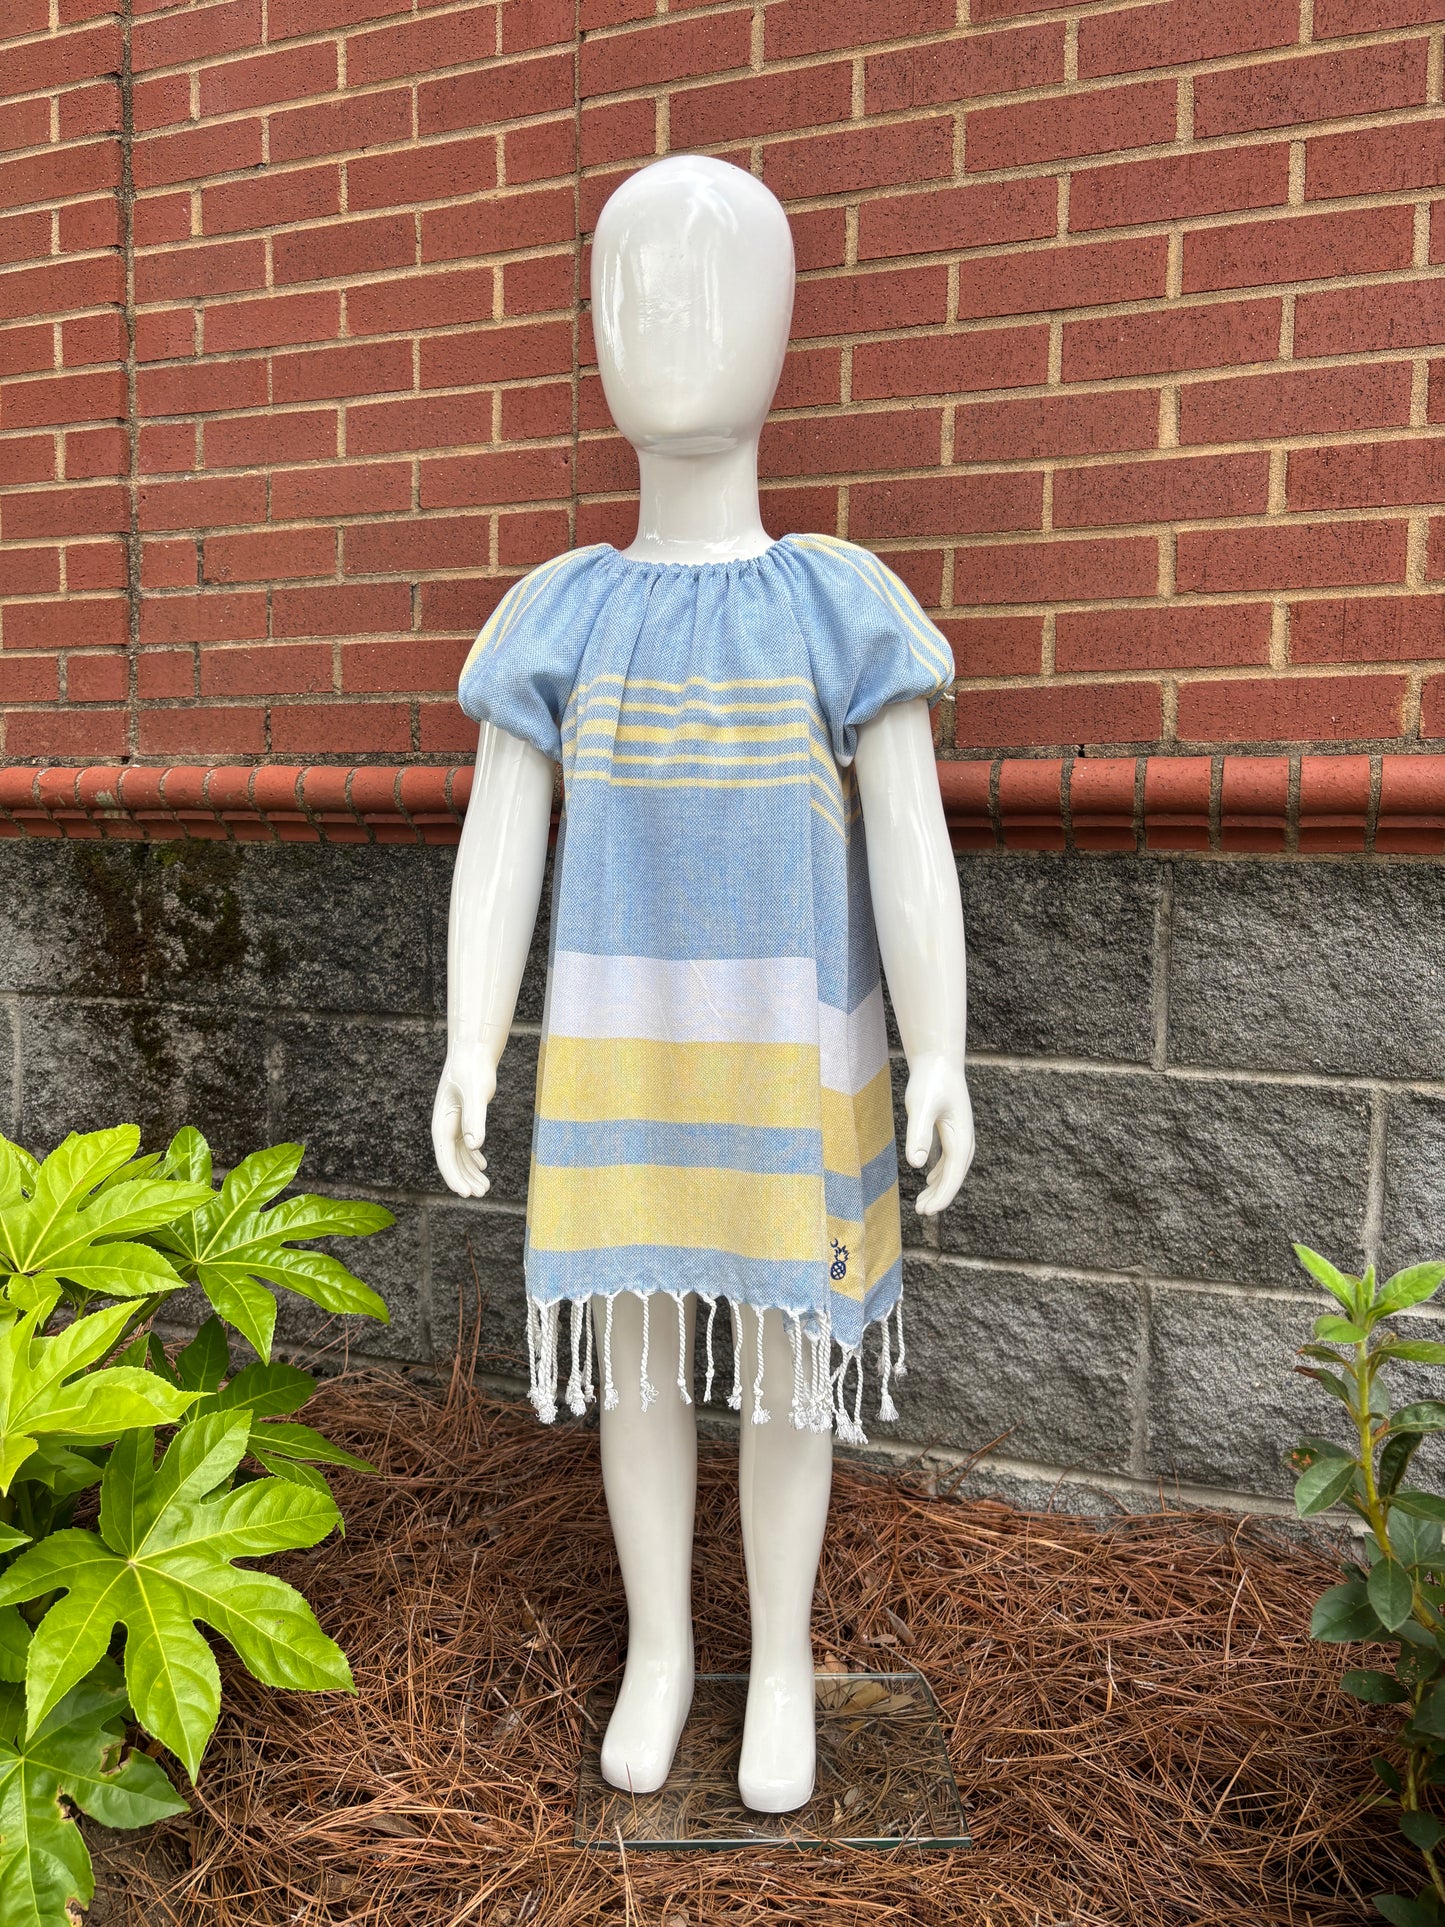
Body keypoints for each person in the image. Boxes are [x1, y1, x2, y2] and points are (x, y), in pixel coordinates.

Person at [433, 155, 973, 1814]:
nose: (668, 320)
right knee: (645, 1351)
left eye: (711, 284)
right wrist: (468, 1040)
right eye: (630, 285)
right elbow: (497, 842)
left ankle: (784, 1664)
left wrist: (944, 1050)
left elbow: (908, 838)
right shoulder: (563, 615)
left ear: (783, 328)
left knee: (792, 1354)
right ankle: (664, 1648)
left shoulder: (835, 604)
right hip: (624, 1052)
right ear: (589, 326)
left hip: (788, 1055)